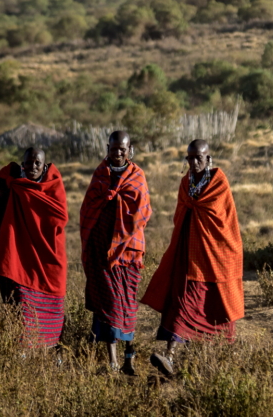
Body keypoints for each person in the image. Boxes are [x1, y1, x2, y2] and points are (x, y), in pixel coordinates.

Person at [140, 139, 244, 377]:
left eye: (199, 158)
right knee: (181, 306)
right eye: (190, 158)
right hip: (188, 258)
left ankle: (219, 362)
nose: (194, 162)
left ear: (209, 159)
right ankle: (170, 357)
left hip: (214, 260)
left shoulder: (219, 183)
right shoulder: (185, 183)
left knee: (217, 310)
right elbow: (180, 217)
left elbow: (224, 222)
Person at [0, 147, 68, 349]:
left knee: (46, 312)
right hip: (19, 260)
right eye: (29, 162)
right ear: (23, 164)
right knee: (21, 309)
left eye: (38, 163)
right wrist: (6, 175)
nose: (33, 166)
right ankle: (22, 354)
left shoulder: (51, 187)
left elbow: (60, 218)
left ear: (45, 166)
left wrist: (14, 183)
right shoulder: (14, 188)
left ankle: (48, 348)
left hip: (44, 258)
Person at [79, 131, 152, 374]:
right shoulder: (100, 174)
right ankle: (112, 360)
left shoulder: (137, 176)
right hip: (101, 250)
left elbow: (142, 213)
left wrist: (117, 202)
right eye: (113, 148)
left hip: (128, 253)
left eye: (122, 148)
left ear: (130, 149)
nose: (117, 152)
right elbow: (88, 208)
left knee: (128, 303)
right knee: (108, 302)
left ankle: (129, 356)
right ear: (107, 148)